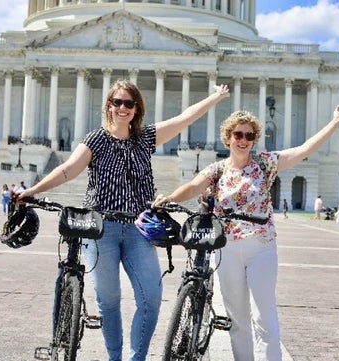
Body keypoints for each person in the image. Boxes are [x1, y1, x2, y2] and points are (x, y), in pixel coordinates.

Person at [17, 79, 230, 360]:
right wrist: (33, 190)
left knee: (151, 300)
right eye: (117, 102)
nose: (123, 108)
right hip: (100, 228)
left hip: (138, 229)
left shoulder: (146, 138)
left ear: (136, 109)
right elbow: (68, 170)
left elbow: (183, 119)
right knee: (109, 301)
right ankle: (115, 357)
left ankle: (136, 358)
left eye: (129, 103)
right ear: (109, 105)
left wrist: (215, 98)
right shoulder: (96, 139)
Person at [153, 104, 339, 361]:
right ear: (228, 137)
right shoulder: (217, 170)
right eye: (238, 134)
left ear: (254, 140)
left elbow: (303, 150)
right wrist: (170, 198)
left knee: (265, 319)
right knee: (237, 320)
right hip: (226, 248)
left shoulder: (265, 164)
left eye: (249, 136)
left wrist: (334, 124)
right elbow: (194, 185)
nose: (243, 140)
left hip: (261, 246)